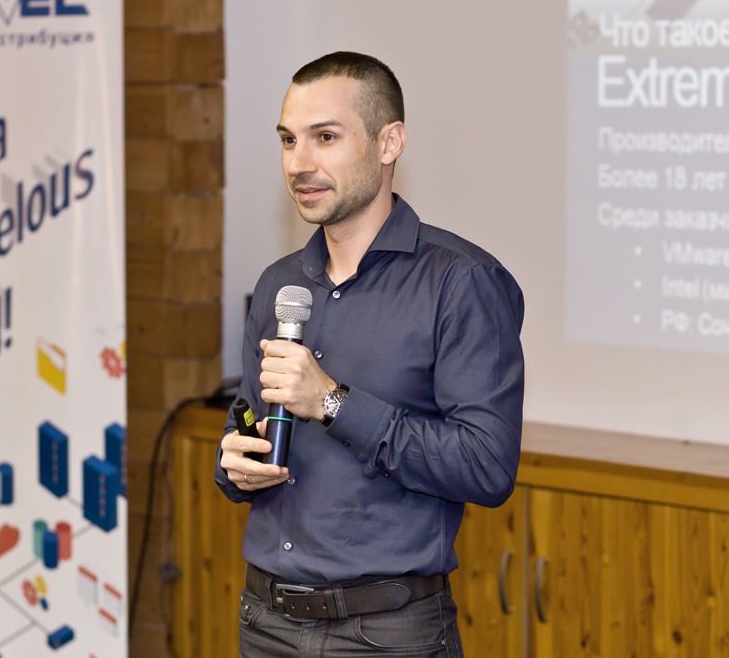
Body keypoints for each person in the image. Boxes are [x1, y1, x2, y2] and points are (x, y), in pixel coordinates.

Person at [214, 50, 525, 657]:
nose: (298, 163)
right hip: (265, 621)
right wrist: (235, 462)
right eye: (288, 140)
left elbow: (487, 467)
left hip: (385, 633)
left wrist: (332, 402)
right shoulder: (280, 285)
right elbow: (247, 422)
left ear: (390, 143)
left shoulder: (460, 282)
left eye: (325, 137)